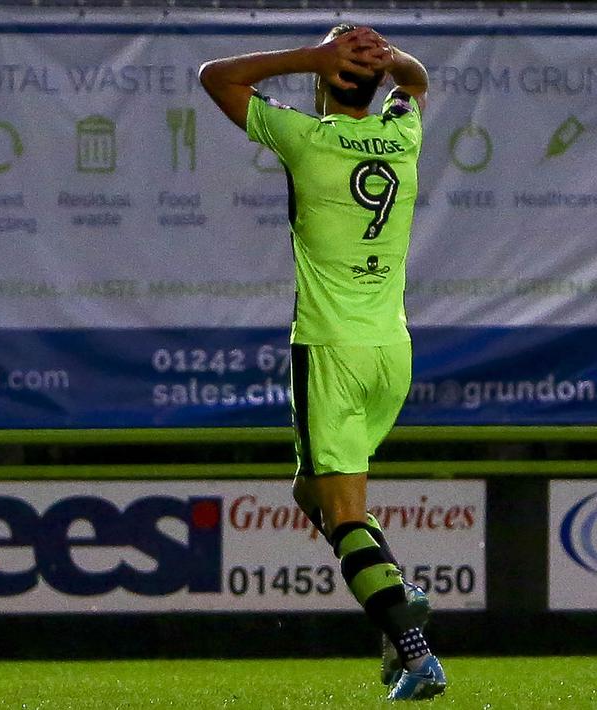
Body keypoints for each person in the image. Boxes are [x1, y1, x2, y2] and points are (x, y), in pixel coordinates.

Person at [199, 26, 440, 701]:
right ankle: (396, 603)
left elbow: (216, 75)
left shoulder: (306, 139)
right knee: (313, 494)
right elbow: (416, 83)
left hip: (330, 348)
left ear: (328, 76)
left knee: (341, 517)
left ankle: (413, 649)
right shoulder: (401, 134)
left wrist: (313, 55)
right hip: (390, 350)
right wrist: (389, 59)